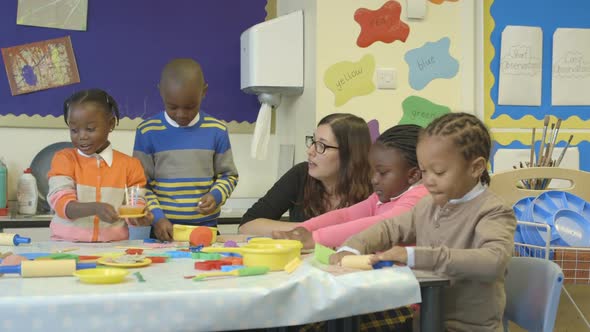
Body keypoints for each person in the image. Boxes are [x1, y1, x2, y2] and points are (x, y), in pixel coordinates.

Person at [331, 112, 517, 332]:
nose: (428, 181)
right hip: (426, 322)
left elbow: (493, 261)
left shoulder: (493, 210)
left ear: (476, 168)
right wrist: (351, 247)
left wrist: (412, 256)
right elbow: (389, 228)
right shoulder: (427, 205)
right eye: (424, 171)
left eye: (439, 172)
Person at [272, 124, 428, 250]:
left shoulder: (421, 196)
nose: (373, 179)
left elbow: (383, 225)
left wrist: (316, 238)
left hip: (415, 284)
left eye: (382, 172)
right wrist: (303, 229)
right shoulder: (382, 196)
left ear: (413, 175)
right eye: (373, 171)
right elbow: (346, 215)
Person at [133, 58, 239, 241]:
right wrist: (158, 219)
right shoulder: (147, 131)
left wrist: (216, 195)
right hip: (162, 231)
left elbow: (228, 176)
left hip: (206, 231)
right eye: (172, 107)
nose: (181, 114)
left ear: (203, 92)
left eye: (190, 107)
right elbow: (141, 185)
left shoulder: (217, 130)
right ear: (161, 92)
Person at [239, 113, 373, 236]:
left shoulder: (374, 187)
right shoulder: (301, 174)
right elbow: (247, 226)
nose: (310, 151)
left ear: (349, 155)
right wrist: (308, 229)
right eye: (313, 142)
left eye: (322, 146)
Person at [47, 89, 152, 242]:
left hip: (113, 249)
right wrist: (95, 208)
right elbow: (61, 204)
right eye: (74, 130)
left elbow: (135, 204)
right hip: (66, 246)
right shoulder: (64, 159)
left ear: (110, 124)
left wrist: (139, 216)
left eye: (90, 129)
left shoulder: (130, 165)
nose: (82, 136)